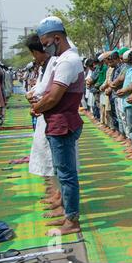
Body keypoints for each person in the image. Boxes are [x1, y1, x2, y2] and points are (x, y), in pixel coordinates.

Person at [32, 16, 85, 236]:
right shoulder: (63, 59)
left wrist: (37, 107)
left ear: (56, 38)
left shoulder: (67, 61)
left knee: (66, 174)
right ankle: (66, 211)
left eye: (45, 44)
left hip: (63, 123)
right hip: (58, 123)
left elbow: (53, 97)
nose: (45, 48)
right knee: (62, 171)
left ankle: (71, 220)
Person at [24, 34, 60, 215]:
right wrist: (33, 95)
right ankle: (55, 193)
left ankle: (61, 201)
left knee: (57, 161)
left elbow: (51, 92)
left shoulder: (56, 63)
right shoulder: (44, 66)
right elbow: (40, 88)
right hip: (44, 116)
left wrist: (37, 102)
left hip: (54, 117)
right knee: (47, 156)